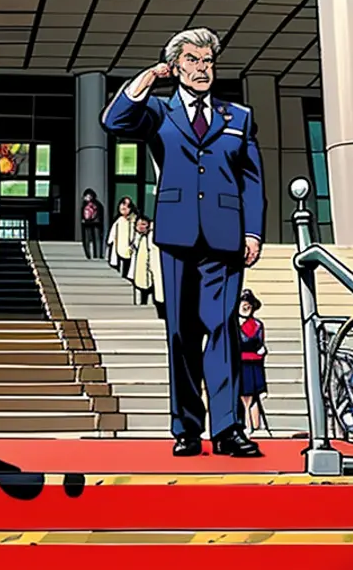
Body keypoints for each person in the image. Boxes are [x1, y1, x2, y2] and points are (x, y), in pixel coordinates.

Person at [102, 27, 264, 459]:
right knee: (181, 334)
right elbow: (113, 121)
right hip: (175, 237)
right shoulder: (158, 111)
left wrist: (253, 231)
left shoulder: (238, 116)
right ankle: (187, 428)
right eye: (192, 61)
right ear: (176, 67)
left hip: (225, 240)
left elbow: (252, 180)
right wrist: (148, 78)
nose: (202, 69)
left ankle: (228, 428)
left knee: (223, 329)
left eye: (208, 61)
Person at [238, 290, 267, 435]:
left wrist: (260, 350)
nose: (245, 308)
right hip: (238, 363)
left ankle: (254, 425)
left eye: (248, 305)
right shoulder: (233, 324)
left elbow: (259, 343)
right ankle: (245, 423)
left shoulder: (256, 325)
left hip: (253, 363)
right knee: (243, 396)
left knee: (252, 396)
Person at [106, 197, 137, 278]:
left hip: (130, 248)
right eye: (123, 203)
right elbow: (112, 234)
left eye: (128, 205)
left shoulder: (134, 220)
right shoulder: (118, 220)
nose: (124, 207)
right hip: (119, 248)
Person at [80, 189, 105, 260]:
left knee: (87, 239)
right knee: (96, 239)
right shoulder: (98, 204)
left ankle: (89, 254)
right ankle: (97, 254)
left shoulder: (84, 205)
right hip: (96, 223)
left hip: (88, 223)